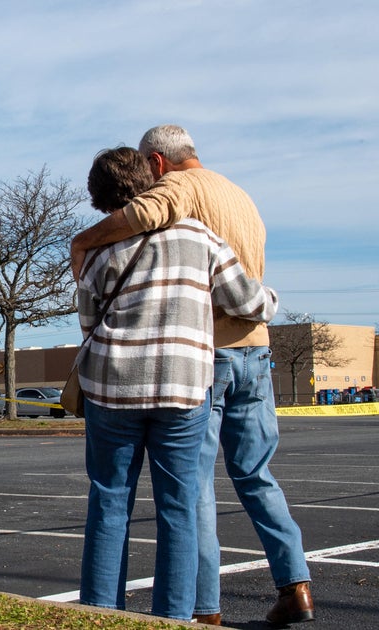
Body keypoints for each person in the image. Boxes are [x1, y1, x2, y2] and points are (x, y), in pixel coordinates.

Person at [72, 125, 313, 626]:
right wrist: (269, 301)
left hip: (126, 384)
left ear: (157, 165)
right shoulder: (224, 210)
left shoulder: (118, 235)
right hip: (203, 373)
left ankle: (110, 614)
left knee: (114, 500)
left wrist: (86, 240)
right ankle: (199, 611)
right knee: (203, 495)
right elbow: (245, 296)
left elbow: (90, 316)